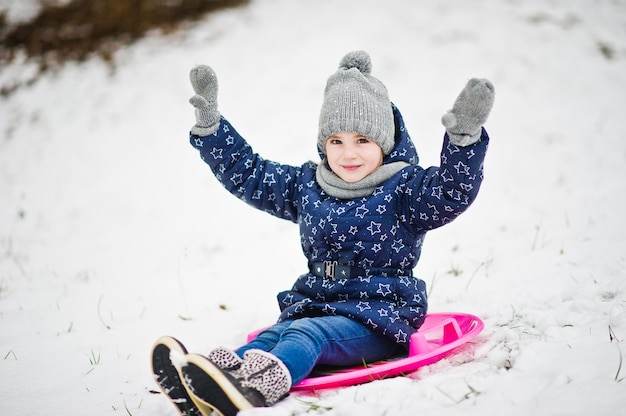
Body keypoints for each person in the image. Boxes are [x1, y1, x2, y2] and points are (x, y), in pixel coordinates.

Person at [151, 50, 494, 416]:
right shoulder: (307, 185)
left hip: (378, 319)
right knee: (272, 337)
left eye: (363, 141)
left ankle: (256, 386)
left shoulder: (405, 190)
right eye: (336, 141)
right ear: (323, 144)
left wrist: (463, 142)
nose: (348, 153)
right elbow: (250, 173)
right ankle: (208, 380)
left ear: (385, 143)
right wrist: (212, 130)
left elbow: (450, 192)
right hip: (313, 306)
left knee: (304, 337)